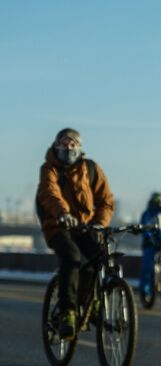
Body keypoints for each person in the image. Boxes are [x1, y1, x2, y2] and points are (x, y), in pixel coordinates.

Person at [36, 128, 115, 340]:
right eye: (64, 143)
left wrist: (100, 223)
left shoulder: (91, 168)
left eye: (73, 144)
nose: (68, 148)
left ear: (79, 147)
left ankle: (91, 303)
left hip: (85, 228)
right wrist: (63, 214)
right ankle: (67, 313)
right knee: (72, 257)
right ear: (56, 145)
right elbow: (49, 194)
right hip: (58, 227)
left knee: (98, 256)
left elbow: (106, 200)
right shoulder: (49, 169)